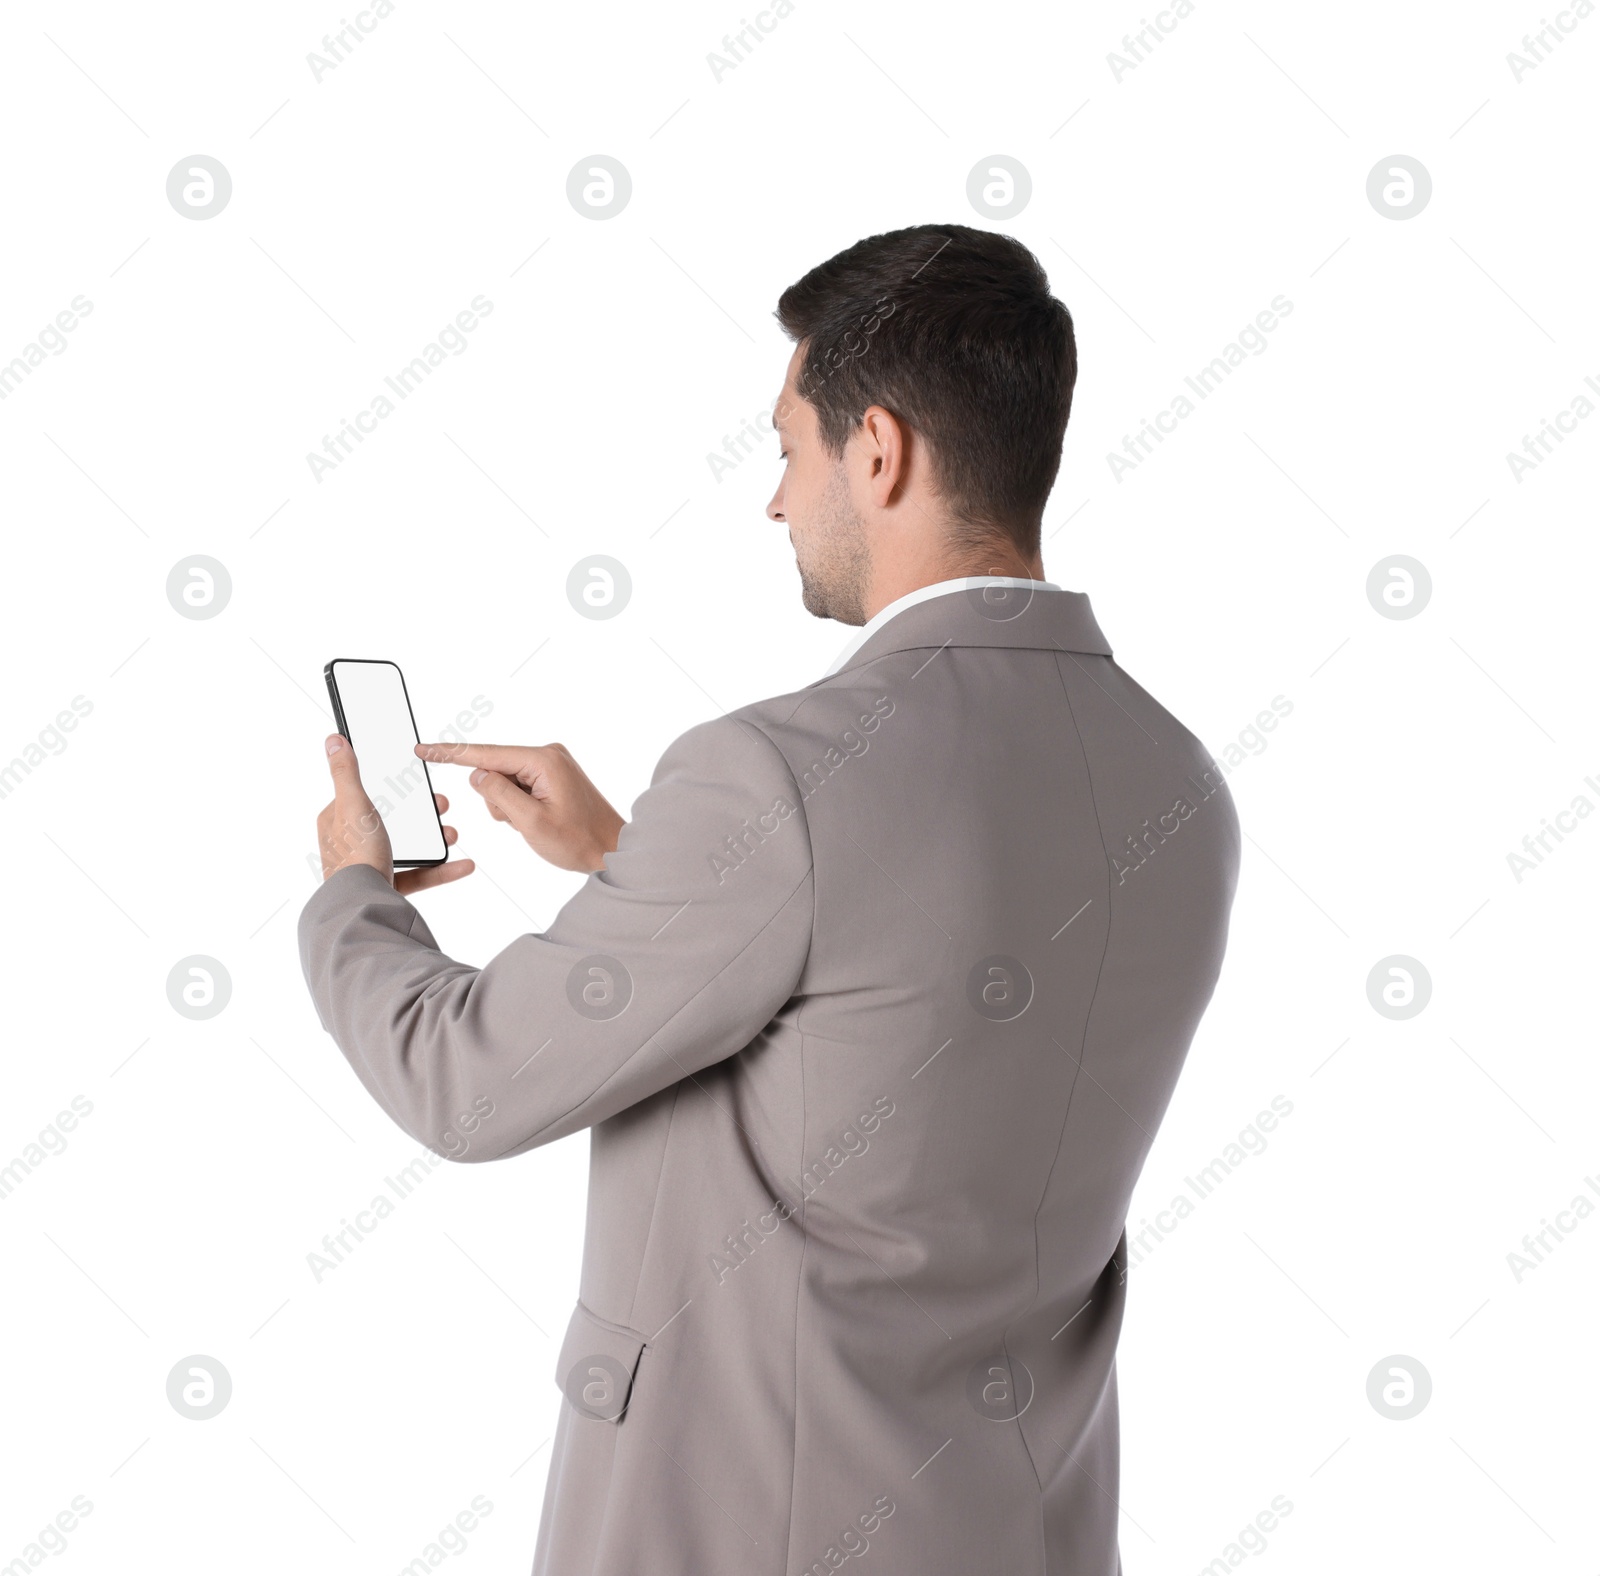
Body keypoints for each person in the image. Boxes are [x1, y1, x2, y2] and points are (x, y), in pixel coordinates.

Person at [301, 223, 1240, 1576]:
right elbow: (904, 1003)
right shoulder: (1179, 782)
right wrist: (633, 859)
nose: (776, 499)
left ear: (880, 450)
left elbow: (465, 1082)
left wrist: (351, 887)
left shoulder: (778, 775)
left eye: (789, 448)